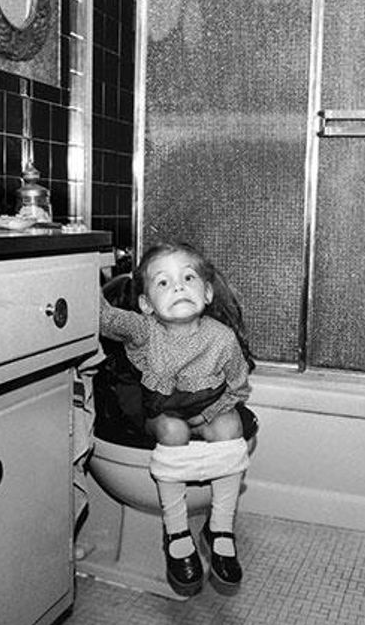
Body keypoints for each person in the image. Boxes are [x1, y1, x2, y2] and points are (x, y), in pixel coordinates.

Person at [99, 241, 255, 597]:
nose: (179, 287)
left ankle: (220, 528)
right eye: (163, 283)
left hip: (207, 408)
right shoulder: (144, 331)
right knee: (173, 428)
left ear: (208, 291)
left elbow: (239, 388)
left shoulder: (222, 339)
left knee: (231, 425)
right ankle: (176, 529)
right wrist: (78, 275)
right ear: (146, 305)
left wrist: (211, 413)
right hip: (160, 413)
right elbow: (106, 319)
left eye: (187, 277)